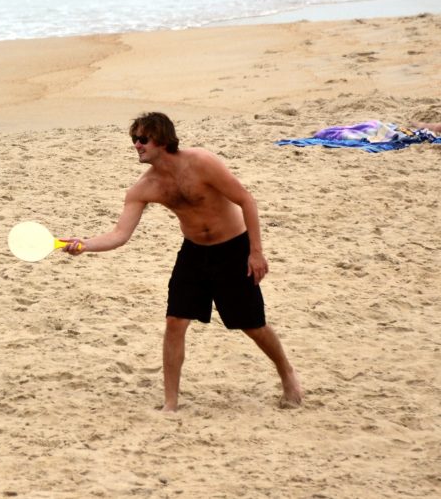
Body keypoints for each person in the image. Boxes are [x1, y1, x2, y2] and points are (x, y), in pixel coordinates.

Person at [63, 112, 302, 412]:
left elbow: (246, 200)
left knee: (252, 325)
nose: (137, 145)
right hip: (194, 254)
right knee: (175, 322)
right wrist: (84, 246)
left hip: (233, 250)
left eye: (143, 139)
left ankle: (286, 373)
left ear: (162, 139)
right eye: (134, 139)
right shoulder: (144, 187)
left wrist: (256, 252)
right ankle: (170, 402)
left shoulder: (202, 163)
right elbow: (119, 234)